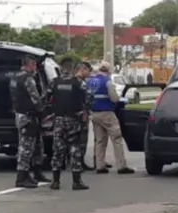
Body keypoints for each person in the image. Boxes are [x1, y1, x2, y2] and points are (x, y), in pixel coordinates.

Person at [47, 58, 91, 190]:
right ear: (72, 68)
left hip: (59, 119)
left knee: (58, 150)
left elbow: (45, 98)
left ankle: (55, 181)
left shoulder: (54, 82)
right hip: (74, 119)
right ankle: (76, 181)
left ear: (61, 68)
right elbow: (89, 96)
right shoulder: (77, 82)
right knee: (75, 149)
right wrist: (85, 110)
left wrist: (50, 112)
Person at [10, 55, 50, 188]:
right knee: (26, 148)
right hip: (28, 116)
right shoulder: (27, 78)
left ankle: (36, 173)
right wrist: (43, 112)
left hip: (21, 114)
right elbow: (35, 99)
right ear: (29, 64)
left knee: (37, 145)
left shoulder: (15, 77)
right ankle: (22, 177)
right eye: (34, 65)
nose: (35, 68)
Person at [87, 61, 134, 174]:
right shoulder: (107, 81)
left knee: (100, 140)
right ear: (108, 70)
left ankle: (100, 165)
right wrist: (118, 99)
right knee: (117, 138)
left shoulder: (91, 81)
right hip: (107, 113)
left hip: (95, 113)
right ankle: (121, 166)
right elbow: (114, 98)